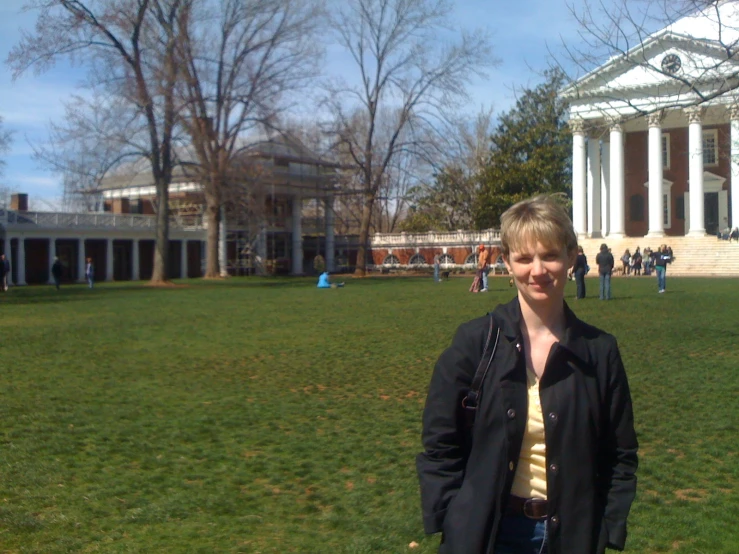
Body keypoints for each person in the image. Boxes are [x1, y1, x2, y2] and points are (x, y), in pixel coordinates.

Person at [417, 195, 638, 554]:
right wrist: (452, 517)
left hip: (571, 536)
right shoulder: (475, 342)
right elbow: (440, 442)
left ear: (571, 256)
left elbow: (620, 453)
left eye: (549, 255)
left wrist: (608, 527)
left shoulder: (599, 351)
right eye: (523, 258)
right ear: (506, 262)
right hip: (490, 533)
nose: (537, 270)